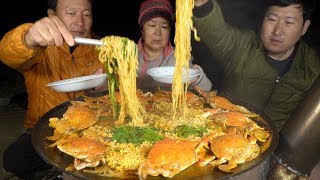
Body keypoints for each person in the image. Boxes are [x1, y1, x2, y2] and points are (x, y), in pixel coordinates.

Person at [192, 0, 320, 178]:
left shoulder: (312, 66)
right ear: (263, 19)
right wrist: (201, 4)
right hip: (228, 139)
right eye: (272, 19)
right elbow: (216, 32)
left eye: (289, 22)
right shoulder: (242, 46)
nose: (277, 31)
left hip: (281, 149)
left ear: (304, 27)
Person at [0, 0, 103, 179]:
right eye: (71, 13)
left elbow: (109, 93)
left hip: (88, 129)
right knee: (14, 160)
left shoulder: (101, 49)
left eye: (86, 14)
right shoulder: (39, 47)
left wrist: (107, 84)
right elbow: (8, 54)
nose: (80, 21)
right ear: (51, 15)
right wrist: (28, 38)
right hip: (42, 128)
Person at [136, 0, 212, 92]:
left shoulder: (179, 57)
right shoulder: (126, 55)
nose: (158, 33)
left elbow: (207, 89)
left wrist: (197, 78)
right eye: (152, 25)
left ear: (170, 31)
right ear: (142, 29)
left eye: (164, 27)